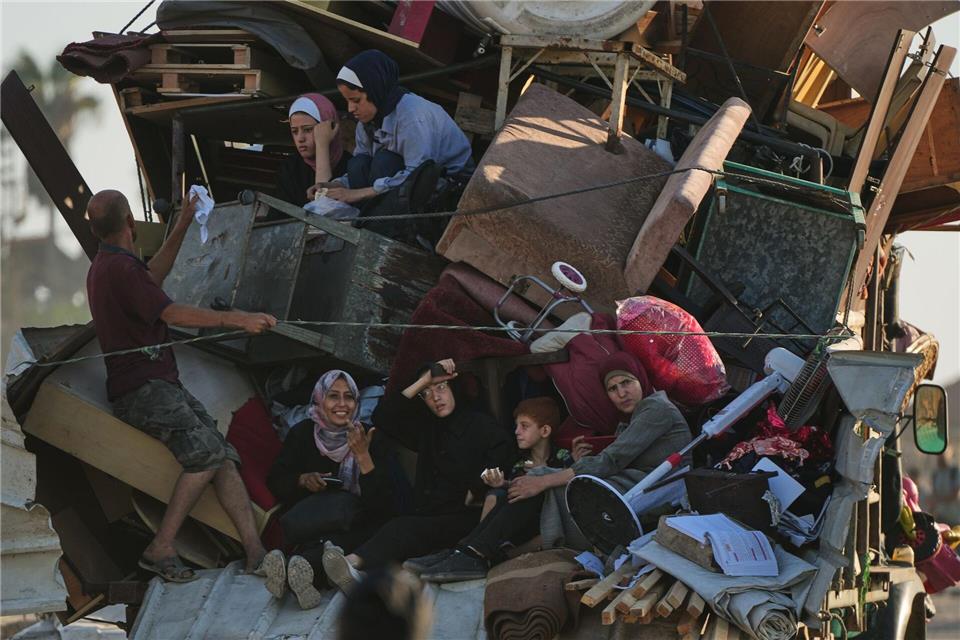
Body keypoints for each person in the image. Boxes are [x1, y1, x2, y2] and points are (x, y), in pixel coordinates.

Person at [85, 189, 278, 581]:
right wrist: (237, 320)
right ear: (130, 224)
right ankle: (161, 546)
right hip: (143, 389)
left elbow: (153, 277)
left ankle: (256, 551)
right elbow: (170, 312)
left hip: (157, 385)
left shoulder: (110, 266)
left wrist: (185, 220)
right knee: (207, 453)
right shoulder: (119, 271)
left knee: (221, 455)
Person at [319, 359, 516, 593]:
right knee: (385, 529)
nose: (435, 397)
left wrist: (476, 488)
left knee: (403, 529)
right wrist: (424, 380)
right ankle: (322, 570)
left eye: (441, 388)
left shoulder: (480, 425)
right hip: (428, 516)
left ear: (455, 388)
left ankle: (350, 564)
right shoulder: (428, 429)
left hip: (465, 519)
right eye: (427, 393)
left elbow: (503, 456)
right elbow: (385, 417)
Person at [511, 351, 692, 550]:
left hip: (657, 492)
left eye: (627, 382)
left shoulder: (657, 409)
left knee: (549, 481)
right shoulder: (630, 420)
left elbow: (612, 460)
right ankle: (487, 547)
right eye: (613, 388)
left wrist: (542, 482)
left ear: (641, 379)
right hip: (636, 487)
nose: (622, 393)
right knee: (538, 477)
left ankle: (495, 549)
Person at [261, 369, 397, 609]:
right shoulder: (302, 434)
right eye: (333, 396)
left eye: (349, 397)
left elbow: (385, 502)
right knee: (319, 544)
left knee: (334, 548)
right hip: (316, 522)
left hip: (360, 523)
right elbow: (277, 481)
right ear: (319, 399)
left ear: (357, 402)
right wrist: (303, 480)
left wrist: (363, 456)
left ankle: (294, 572)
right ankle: (294, 573)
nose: (342, 404)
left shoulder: (370, 436)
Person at [312, 49, 475, 241]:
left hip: (448, 187)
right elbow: (361, 171)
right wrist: (334, 186)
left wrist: (356, 194)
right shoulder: (366, 123)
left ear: (375, 89)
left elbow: (417, 174)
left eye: (356, 100)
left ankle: (378, 229)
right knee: (358, 163)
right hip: (401, 186)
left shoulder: (413, 116)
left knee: (384, 161)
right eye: (347, 101)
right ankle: (364, 225)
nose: (350, 109)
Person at [412, 396, 571, 583]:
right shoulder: (520, 462)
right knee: (498, 494)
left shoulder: (563, 457)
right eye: (517, 426)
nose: (517, 432)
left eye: (524, 426)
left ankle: (474, 552)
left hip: (547, 520)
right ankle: (465, 550)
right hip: (519, 523)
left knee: (525, 487)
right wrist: (502, 484)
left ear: (544, 430)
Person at [276, 93, 350, 207]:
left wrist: (322, 146)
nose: (300, 138)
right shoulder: (291, 167)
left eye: (308, 130)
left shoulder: (350, 165)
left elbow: (324, 208)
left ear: (330, 128)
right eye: (294, 131)